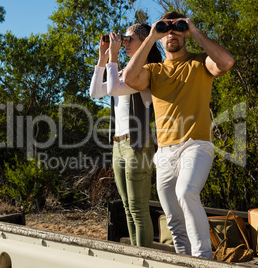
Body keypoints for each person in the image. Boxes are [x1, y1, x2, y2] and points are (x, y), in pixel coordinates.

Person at [122, 11, 235, 258]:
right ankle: (184, 261)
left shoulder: (199, 62)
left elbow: (226, 63)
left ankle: (203, 258)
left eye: (177, 29)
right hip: (164, 152)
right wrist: (152, 35)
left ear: (184, 35)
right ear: (161, 39)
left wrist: (194, 30)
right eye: (166, 31)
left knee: (186, 192)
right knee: (173, 218)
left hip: (196, 145)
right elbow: (129, 78)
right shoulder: (154, 70)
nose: (171, 34)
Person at [89, 23, 162, 247]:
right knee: (128, 208)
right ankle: (136, 255)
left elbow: (112, 89)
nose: (125, 43)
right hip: (118, 145)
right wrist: (103, 57)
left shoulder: (146, 72)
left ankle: (145, 258)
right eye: (125, 39)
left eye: (130, 39)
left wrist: (114, 56)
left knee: (138, 209)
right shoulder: (122, 73)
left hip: (138, 144)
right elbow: (95, 92)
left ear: (145, 43)